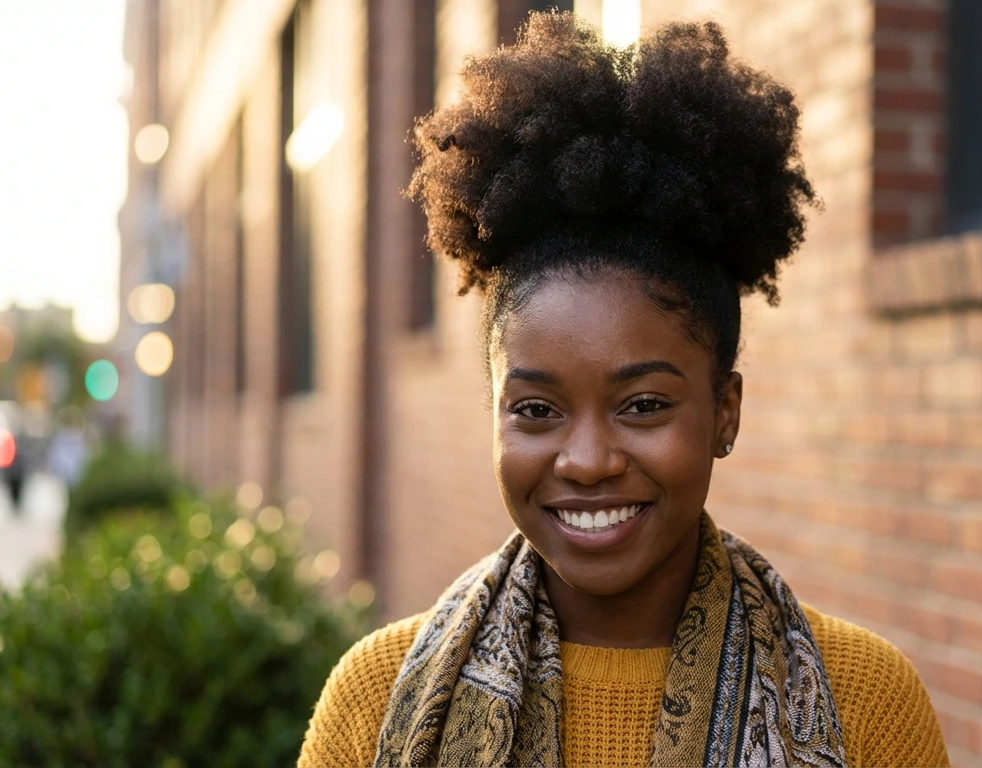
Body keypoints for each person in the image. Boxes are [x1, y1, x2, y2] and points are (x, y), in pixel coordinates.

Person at [299, 12, 948, 767]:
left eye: (642, 406)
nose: (586, 460)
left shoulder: (866, 702)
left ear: (725, 413)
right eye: (535, 409)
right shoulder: (376, 699)